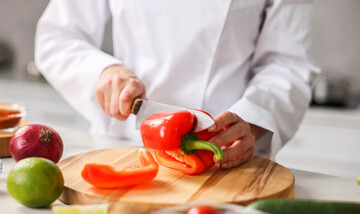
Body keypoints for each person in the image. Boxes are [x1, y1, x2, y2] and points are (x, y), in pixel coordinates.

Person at [35, 0, 319, 169]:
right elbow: (58, 36)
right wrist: (104, 71)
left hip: (226, 157)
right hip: (123, 149)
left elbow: (288, 63)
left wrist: (252, 123)